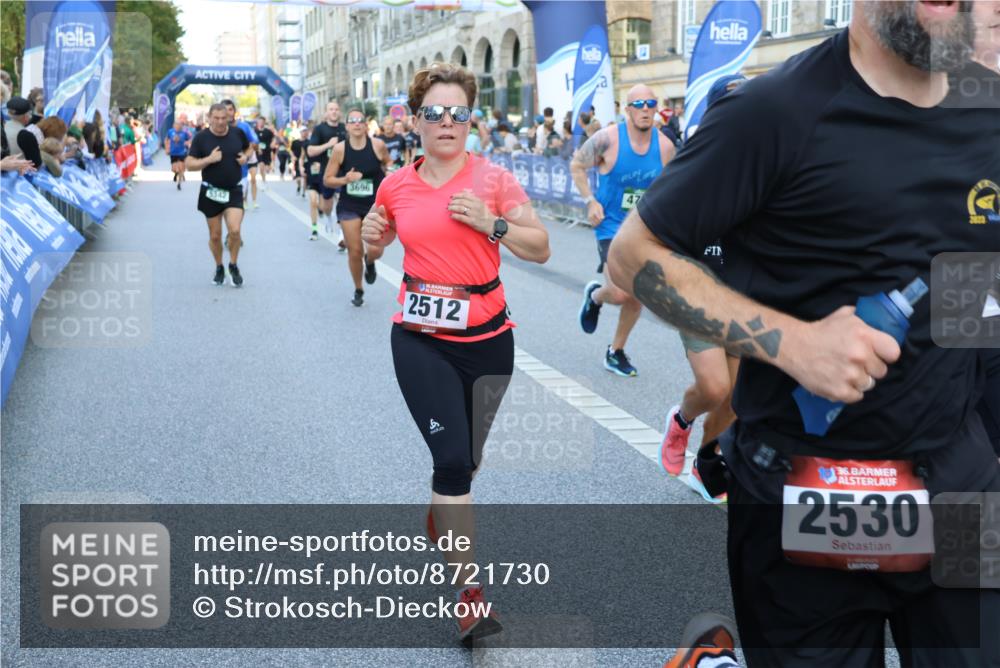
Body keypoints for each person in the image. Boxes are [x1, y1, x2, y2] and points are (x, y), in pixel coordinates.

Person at [606, 1, 999, 664]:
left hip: (961, 485)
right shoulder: (775, 111)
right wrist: (792, 344)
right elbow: (633, 256)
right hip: (806, 490)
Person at [362, 62, 549, 643]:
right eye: (435, 113)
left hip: (489, 342)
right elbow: (381, 235)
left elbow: (540, 248)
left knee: (467, 462)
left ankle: (444, 509)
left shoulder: (493, 180)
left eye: (459, 113)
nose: (447, 122)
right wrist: (372, 239)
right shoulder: (395, 184)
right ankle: (470, 595)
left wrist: (492, 225)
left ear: (472, 119)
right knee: (450, 463)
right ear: (414, 121)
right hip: (419, 341)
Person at [659, 74, 747, 502]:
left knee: (733, 399)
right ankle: (681, 419)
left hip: (746, 297)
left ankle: (707, 462)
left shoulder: (770, 161)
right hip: (698, 291)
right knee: (713, 388)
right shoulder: (695, 160)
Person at [574, 86, 675, 377]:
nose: (645, 109)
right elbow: (577, 165)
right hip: (610, 226)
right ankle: (596, 297)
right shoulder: (607, 139)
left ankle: (615, 351)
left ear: (656, 108)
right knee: (619, 293)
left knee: (636, 294)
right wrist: (590, 201)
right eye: (639, 104)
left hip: (644, 230)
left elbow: (671, 187)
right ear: (627, 109)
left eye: (651, 104)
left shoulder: (666, 147)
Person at [323, 107, 393, 306]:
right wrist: (346, 179)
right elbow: (327, 180)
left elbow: (389, 165)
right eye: (352, 120)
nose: (356, 123)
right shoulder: (340, 150)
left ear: (365, 125)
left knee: (376, 250)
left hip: (376, 205)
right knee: (354, 250)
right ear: (347, 126)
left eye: (360, 120)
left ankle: (370, 263)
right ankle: (358, 288)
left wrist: (390, 172)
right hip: (349, 205)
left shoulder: (378, 145)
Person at [186, 102, 252, 288]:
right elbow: (189, 164)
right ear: (209, 118)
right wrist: (209, 159)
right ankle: (219, 266)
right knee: (215, 236)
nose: (221, 122)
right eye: (216, 118)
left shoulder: (237, 133)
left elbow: (249, 148)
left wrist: (245, 157)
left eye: (224, 118)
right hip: (211, 191)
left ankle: (233, 264)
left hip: (233, 190)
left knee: (235, 230)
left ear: (229, 118)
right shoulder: (201, 138)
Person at [305, 101, 347, 240]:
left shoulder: (345, 128)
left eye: (336, 109)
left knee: (342, 201)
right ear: (326, 112)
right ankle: (329, 217)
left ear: (339, 112)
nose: (334, 112)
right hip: (327, 173)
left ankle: (342, 235)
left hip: (343, 172)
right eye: (331, 109)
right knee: (325, 206)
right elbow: (310, 151)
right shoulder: (320, 129)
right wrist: (328, 145)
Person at [220, 100, 258, 210]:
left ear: (234, 111)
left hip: (241, 174)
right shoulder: (215, 128)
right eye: (225, 110)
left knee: (235, 212)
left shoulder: (244, 127)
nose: (228, 113)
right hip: (220, 176)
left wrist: (245, 156)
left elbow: (253, 144)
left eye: (230, 110)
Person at [4, 98, 42, 169]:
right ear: (26, 116)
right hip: (19, 175)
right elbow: (36, 163)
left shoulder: (2, 127)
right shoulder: (26, 135)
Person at [164, 119, 192, 190]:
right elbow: (166, 139)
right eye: (176, 125)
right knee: (173, 169)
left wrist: (188, 142)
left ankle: (179, 184)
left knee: (181, 168)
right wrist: (167, 149)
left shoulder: (185, 132)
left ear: (181, 126)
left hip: (182, 152)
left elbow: (190, 139)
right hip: (173, 152)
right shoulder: (170, 131)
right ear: (174, 125)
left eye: (179, 125)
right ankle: (176, 173)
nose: (178, 126)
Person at [255, 117, 275, 189]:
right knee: (261, 166)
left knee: (267, 169)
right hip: (259, 152)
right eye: (259, 122)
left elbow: (274, 138)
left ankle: (267, 172)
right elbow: (252, 141)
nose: (261, 123)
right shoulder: (255, 131)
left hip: (267, 151)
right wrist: (257, 148)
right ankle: (263, 181)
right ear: (257, 122)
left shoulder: (268, 131)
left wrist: (273, 143)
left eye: (262, 122)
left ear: (264, 122)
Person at [291, 126, 306, 196]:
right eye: (303, 131)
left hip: (306, 161)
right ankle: (299, 186)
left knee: (305, 177)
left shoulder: (309, 141)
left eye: (305, 131)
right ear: (300, 132)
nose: (304, 133)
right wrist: (293, 156)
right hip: (297, 161)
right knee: (298, 178)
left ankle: (304, 191)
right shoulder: (295, 142)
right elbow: (291, 150)